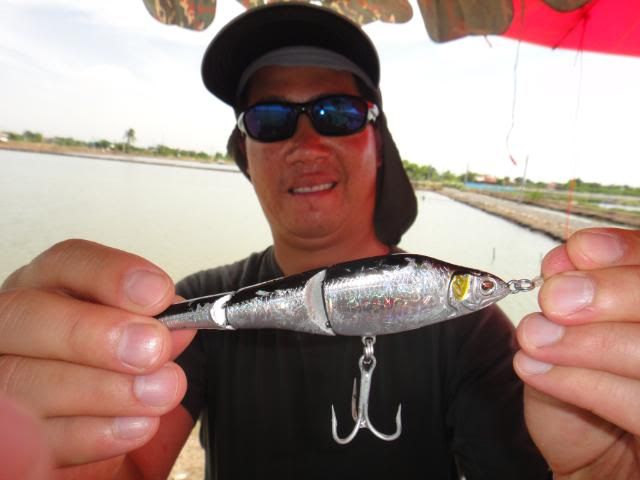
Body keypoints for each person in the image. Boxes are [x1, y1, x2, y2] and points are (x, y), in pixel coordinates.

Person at [0, 3, 637, 479]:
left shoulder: (476, 335)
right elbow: (128, 468)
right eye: (270, 119)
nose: (305, 144)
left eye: (337, 113)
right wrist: (53, 452)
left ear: (378, 144)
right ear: (245, 153)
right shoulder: (194, 311)